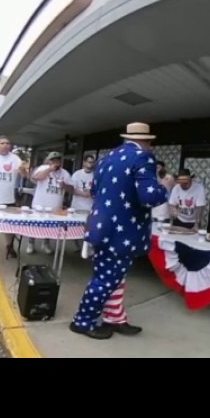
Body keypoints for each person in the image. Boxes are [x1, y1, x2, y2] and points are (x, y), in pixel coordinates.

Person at [70, 122, 168, 340]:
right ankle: (82, 321)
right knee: (106, 278)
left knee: (115, 276)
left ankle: (114, 317)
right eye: (151, 143)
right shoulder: (143, 158)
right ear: (147, 141)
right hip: (122, 231)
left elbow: (94, 191)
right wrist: (165, 185)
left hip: (102, 225)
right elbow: (150, 197)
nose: (151, 147)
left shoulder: (106, 158)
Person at [27, 152, 72, 255]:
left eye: (58, 160)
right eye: (53, 160)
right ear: (49, 161)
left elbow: (71, 189)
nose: (56, 162)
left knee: (50, 227)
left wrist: (64, 186)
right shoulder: (43, 168)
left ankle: (46, 244)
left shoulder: (64, 173)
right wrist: (49, 169)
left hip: (55, 205)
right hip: (40, 203)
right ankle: (31, 243)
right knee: (34, 225)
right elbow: (35, 178)